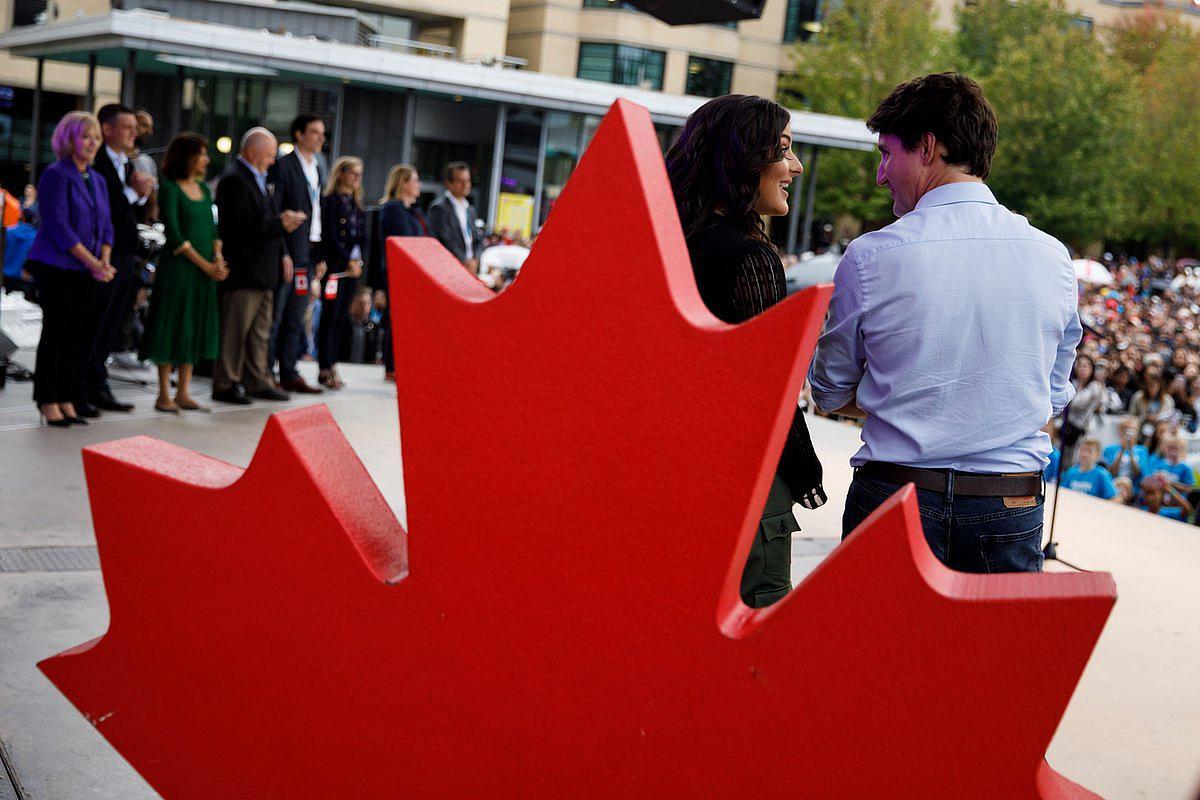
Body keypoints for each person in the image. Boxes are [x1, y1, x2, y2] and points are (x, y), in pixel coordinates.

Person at [810, 73, 1080, 574]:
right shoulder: (1054, 257)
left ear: (928, 147)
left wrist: (908, 404)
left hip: (896, 494)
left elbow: (828, 391)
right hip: (1008, 499)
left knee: (876, 651)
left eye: (886, 154)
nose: (880, 174)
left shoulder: (872, 257)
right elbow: (1051, 396)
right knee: (992, 653)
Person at [665, 93, 826, 608]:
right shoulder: (749, 256)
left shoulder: (663, 242)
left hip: (665, 482)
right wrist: (807, 472)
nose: (795, 167)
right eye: (783, 150)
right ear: (742, 158)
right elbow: (767, 390)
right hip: (740, 490)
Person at [26, 111, 117, 426]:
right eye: (85, 137)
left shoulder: (97, 179)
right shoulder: (56, 174)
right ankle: (48, 398)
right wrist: (93, 262)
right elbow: (59, 226)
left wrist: (104, 258)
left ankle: (67, 397)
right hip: (58, 268)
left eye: (96, 138)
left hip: (88, 270)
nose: (92, 143)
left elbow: (106, 224)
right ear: (69, 139)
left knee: (79, 337)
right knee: (57, 334)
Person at [213, 127, 305, 404]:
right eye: (269, 155)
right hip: (245, 270)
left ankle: (257, 379)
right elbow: (242, 226)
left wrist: (283, 250)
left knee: (260, 332)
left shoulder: (257, 179)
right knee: (235, 330)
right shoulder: (235, 180)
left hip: (264, 271)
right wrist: (281, 222)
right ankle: (226, 382)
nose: (273, 160)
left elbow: (263, 221)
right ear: (252, 152)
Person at [140, 133, 228, 412]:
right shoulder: (170, 190)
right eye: (201, 154)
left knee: (193, 325)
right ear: (187, 157)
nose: (205, 159)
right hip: (179, 270)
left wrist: (218, 258)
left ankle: (184, 391)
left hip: (203, 272)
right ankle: (164, 393)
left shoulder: (203, 189)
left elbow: (213, 230)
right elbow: (175, 236)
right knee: (172, 324)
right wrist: (206, 265)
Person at [80, 103, 154, 415]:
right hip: (98, 255)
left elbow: (127, 213)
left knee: (111, 323)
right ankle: (82, 387)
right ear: (106, 129)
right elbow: (103, 210)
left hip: (123, 252)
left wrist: (141, 194)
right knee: (93, 324)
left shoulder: (125, 164)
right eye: (127, 127)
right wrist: (133, 194)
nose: (133, 134)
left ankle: (98, 385)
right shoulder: (97, 164)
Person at [267, 113, 327, 395]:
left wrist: (321, 255)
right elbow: (276, 212)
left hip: (309, 251)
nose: (320, 137)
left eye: (322, 133)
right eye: (314, 132)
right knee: (277, 315)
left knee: (296, 315)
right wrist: (283, 253)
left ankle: (289, 370)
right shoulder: (284, 166)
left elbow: (319, 211)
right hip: (289, 252)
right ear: (299, 134)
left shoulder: (318, 166)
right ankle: (267, 372)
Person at [316, 156, 366, 389]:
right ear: (342, 174)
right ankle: (325, 366)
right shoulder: (330, 201)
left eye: (360, 174)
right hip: (335, 269)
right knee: (329, 317)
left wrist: (358, 263)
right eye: (353, 173)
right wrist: (348, 260)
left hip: (351, 270)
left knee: (340, 318)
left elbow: (361, 239)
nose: (357, 178)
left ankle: (333, 362)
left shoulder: (356, 204)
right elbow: (331, 237)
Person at [375, 163, 428, 381]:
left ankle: (405, 365)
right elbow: (398, 243)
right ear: (403, 183)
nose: (419, 185)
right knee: (397, 322)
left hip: (416, 275)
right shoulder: (393, 209)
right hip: (399, 274)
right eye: (414, 180)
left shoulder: (415, 212)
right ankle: (392, 367)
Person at [427, 161, 482, 274]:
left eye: (468, 180)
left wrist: (475, 260)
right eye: (461, 181)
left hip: (470, 268)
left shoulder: (469, 209)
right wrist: (465, 262)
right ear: (448, 183)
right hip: (450, 269)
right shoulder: (439, 208)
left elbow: (478, 240)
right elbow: (445, 241)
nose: (466, 185)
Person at [1103, 416, 1151, 484]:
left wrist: (1131, 451)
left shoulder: (1142, 451)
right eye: (1125, 429)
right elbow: (1111, 473)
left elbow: (1138, 474)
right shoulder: (1109, 449)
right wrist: (1122, 450)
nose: (1128, 432)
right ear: (1119, 430)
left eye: (1132, 429)